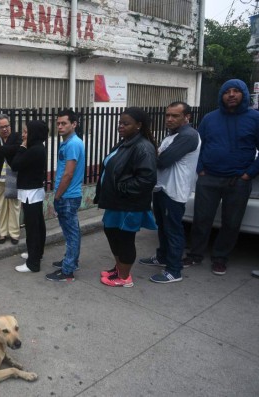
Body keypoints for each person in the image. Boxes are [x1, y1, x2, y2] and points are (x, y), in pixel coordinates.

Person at [183, 79, 259, 275]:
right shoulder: (209, 118)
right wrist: (200, 168)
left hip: (238, 181)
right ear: (221, 96)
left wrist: (249, 173)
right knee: (201, 219)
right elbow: (199, 145)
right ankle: (195, 254)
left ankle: (220, 258)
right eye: (227, 91)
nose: (231, 95)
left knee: (231, 222)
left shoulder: (254, 118)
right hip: (208, 178)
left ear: (243, 94)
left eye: (236, 91)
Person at [94, 107, 158, 287]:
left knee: (125, 239)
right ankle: (119, 267)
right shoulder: (126, 142)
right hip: (116, 202)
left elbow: (147, 179)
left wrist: (121, 187)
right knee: (111, 231)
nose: (120, 126)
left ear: (138, 125)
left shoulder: (143, 147)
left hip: (129, 204)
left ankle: (124, 278)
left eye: (125, 123)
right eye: (120, 123)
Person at [139, 102, 200, 283]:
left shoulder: (188, 135)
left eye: (175, 116)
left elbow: (163, 160)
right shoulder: (172, 135)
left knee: (173, 230)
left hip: (174, 191)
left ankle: (174, 270)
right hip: (162, 188)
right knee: (163, 226)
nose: (170, 119)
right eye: (167, 115)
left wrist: (151, 156)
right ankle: (162, 256)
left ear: (187, 117)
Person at [45, 110, 85, 282]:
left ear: (74, 124)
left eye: (64, 123)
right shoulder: (69, 142)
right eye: (58, 123)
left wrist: (57, 196)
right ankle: (71, 261)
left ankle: (67, 271)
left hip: (67, 196)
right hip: (68, 195)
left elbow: (68, 174)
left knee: (71, 234)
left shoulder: (73, 144)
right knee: (73, 232)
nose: (60, 126)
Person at [10, 120, 49, 273]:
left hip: (31, 193)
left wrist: (21, 147)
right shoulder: (38, 147)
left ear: (34, 133)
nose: (23, 135)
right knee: (38, 224)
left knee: (33, 227)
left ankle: (32, 263)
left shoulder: (33, 150)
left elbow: (15, 165)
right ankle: (36, 253)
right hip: (33, 191)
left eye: (26, 132)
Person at [0, 114, 22, 245]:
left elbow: (18, 149)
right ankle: (2, 233)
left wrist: (0, 149)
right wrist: (7, 151)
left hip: (12, 175)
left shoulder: (17, 137)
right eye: (1, 127)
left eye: (6, 126)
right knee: (0, 206)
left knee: (14, 205)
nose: (4, 129)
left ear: (10, 126)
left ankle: (14, 234)